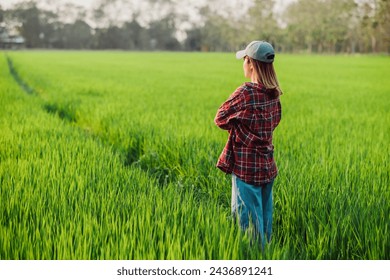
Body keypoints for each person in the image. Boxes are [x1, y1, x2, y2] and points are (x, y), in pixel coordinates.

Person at [214, 41, 282, 247]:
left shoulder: (246, 92)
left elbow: (220, 118)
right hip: (267, 167)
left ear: (250, 63)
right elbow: (275, 120)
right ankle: (267, 257)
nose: (243, 64)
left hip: (246, 168)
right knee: (264, 221)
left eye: (244, 59)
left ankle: (252, 263)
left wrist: (240, 129)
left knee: (248, 228)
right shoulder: (274, 93)